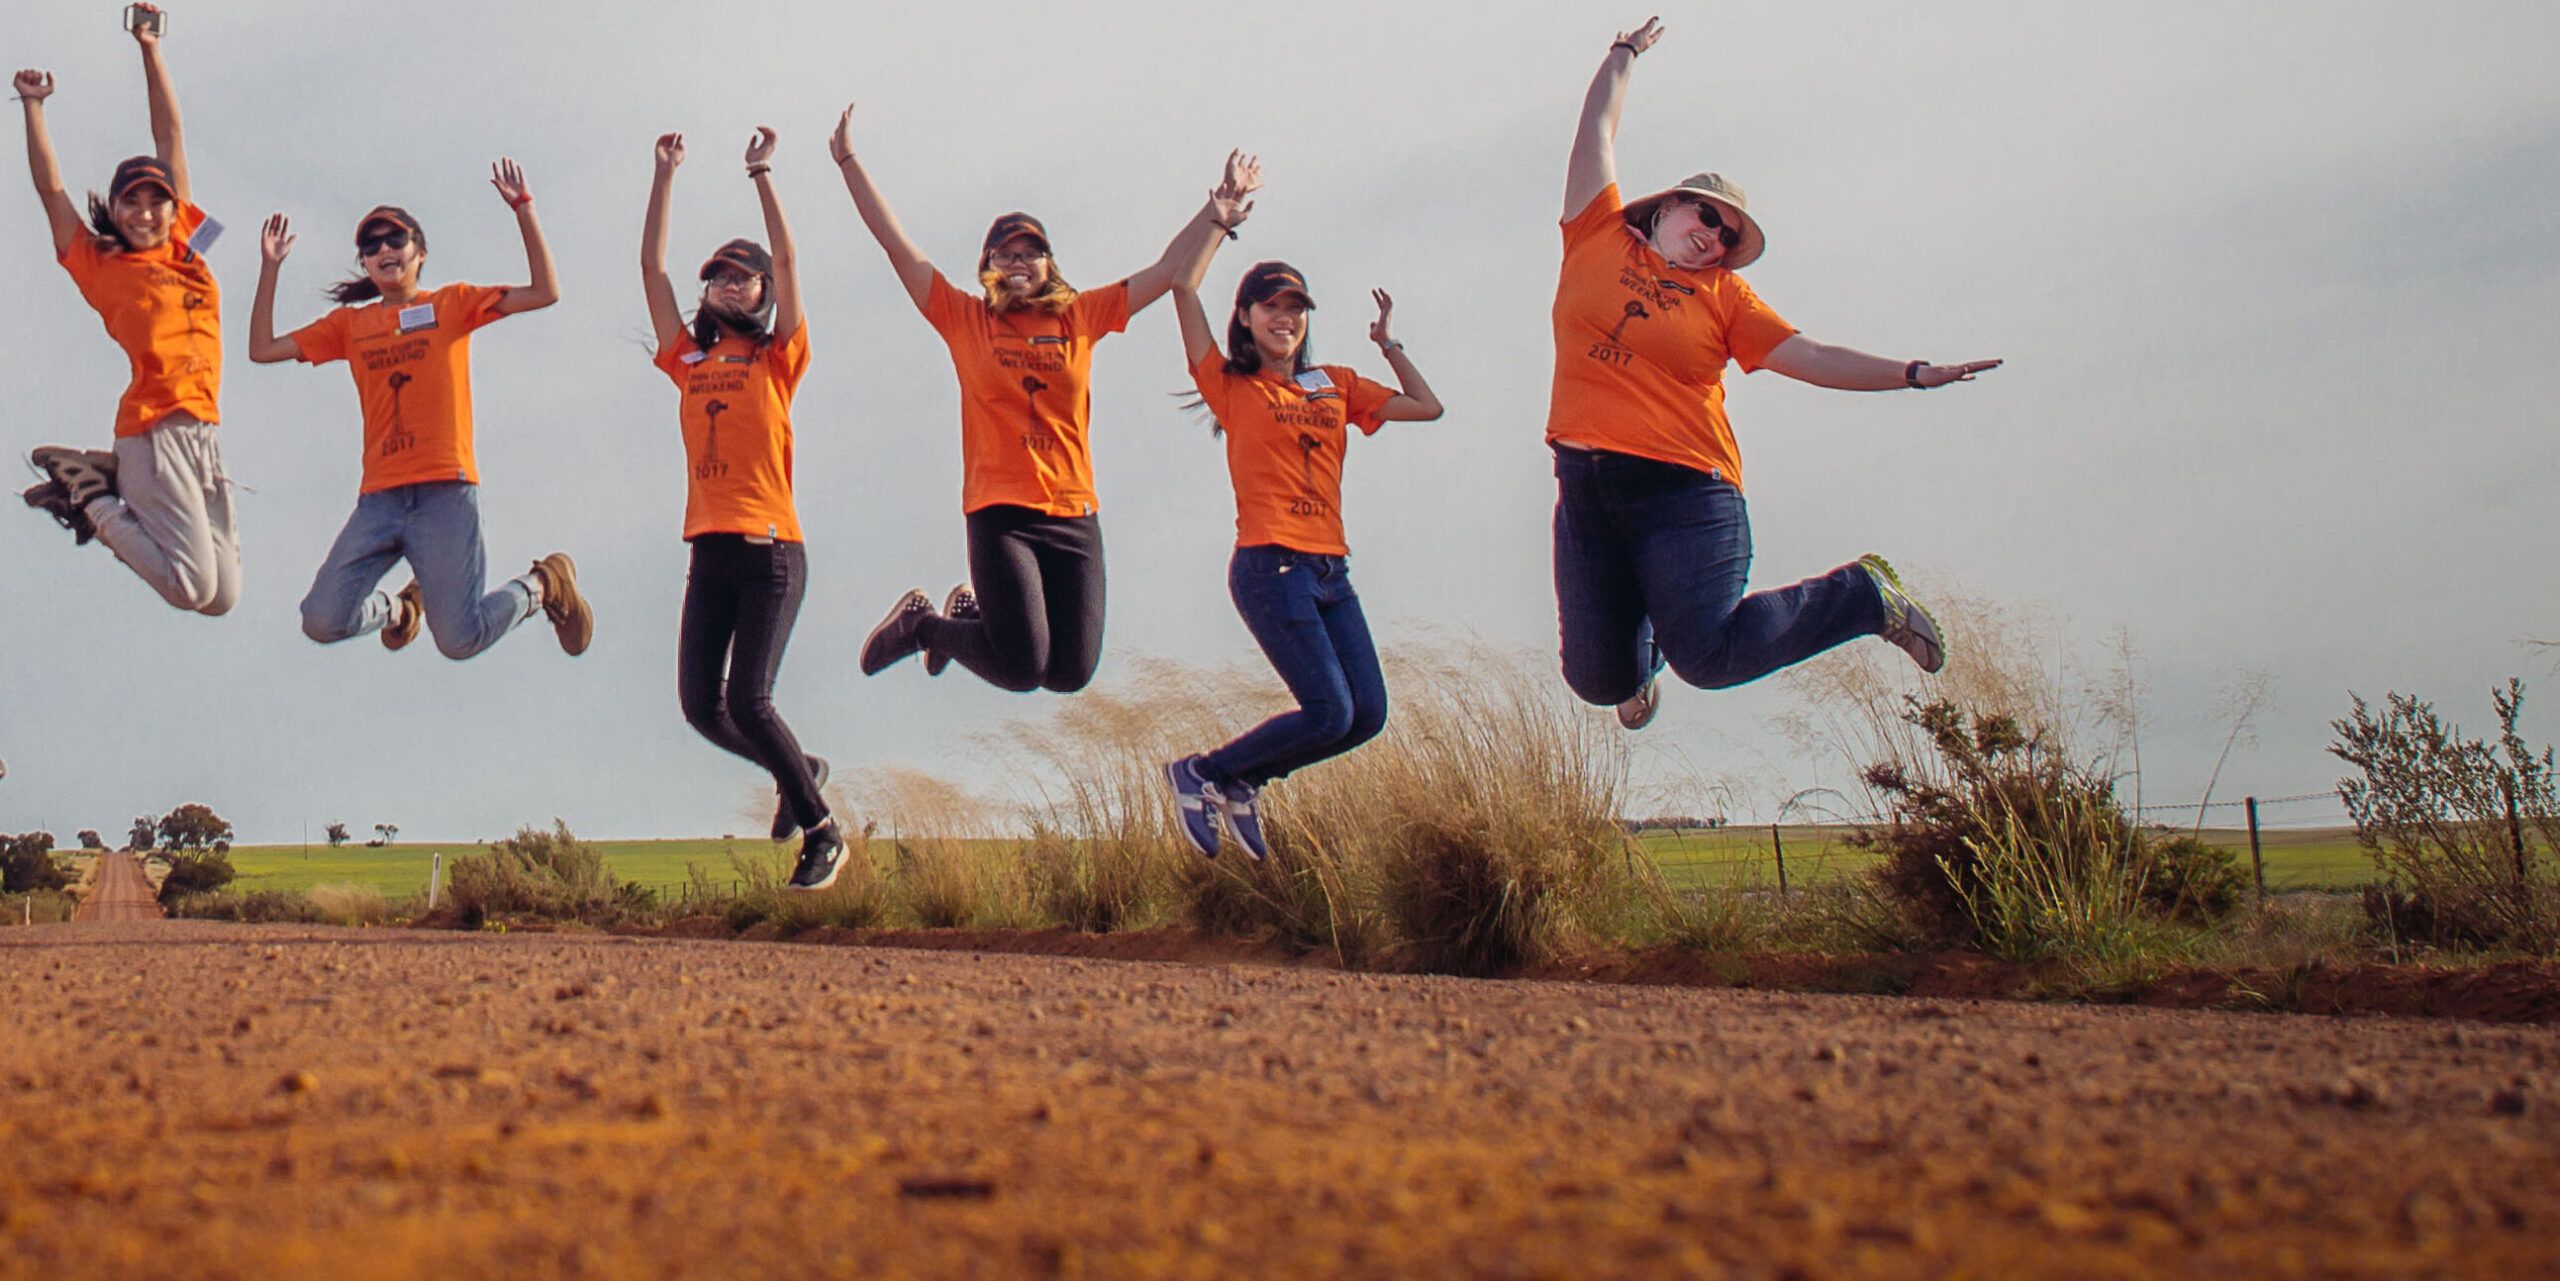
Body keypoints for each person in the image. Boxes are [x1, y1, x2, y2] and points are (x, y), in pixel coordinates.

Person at [1549, 17, 2002, 730]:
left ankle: (1862, 596)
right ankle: (1641, 662)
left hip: (1685, 494)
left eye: (1728, 236)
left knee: (1710, 655)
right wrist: (1622, 53)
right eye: (1706, 214)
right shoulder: (1596, 233)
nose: (1714, 235)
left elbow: (1814, 357)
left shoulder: (1726, 298)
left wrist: (1912, 373)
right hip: (1586, 492)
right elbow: (1596, 132)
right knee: (1598, 679)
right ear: (1665, 206)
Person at [827, 103, 1256, 693]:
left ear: (1049, 264)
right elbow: (895, 245)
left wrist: (1216, 215)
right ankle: (923, 627)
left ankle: (959, 618)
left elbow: (1164, 271)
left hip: (1074, 512)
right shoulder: (964, 318)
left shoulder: (1081, 317)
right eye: (1005, 253)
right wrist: (849, 161)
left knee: (1070, 674)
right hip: (1001, 512)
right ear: (988, 268)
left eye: (1030, 251)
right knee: (1024, 668)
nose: (1018, 261)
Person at [1158, 235, 1448, 860]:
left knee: (1365, 715)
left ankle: (1243, 778)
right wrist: (1219, 221)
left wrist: (1387, 345)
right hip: (1271, 566)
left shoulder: (1334, 384)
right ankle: (1203, 772)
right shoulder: (1231, 384)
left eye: (1295, 307)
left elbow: (1428, 408)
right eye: (1270, 306)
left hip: (1329, 573)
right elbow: (1182, 289)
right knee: (1327, 711)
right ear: (1245, 317)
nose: (1284, 318)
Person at [247, 160, 592, 661]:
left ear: (420, 252)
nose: (384, 249)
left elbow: (545, 292)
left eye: (396, 240)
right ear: (364, 264)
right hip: (381, 501)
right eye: (371, 245)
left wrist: (524, 209)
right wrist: (270, 267)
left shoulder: (451, 304)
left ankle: (543, 585)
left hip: (443, 492)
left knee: (459, 639)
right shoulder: (350, 325)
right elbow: (262, 348)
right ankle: (401, 611)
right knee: (321, 619)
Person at [641, 127, 844, 891]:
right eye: (720, 277)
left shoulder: (776, 357)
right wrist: (663, 177)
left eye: (744, 277)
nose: (732, 284)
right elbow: (650, 268)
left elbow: (790, 260)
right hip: (709, 550)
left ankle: (821, 828)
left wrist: (762, 174)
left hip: (770, 553)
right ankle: (803, 767)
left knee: (750, 699)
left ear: (763, 292)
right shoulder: (687, 361)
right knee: (701, 706)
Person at [14, 7, 241, 615]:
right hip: (152, 426)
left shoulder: (190, 246)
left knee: (223, 599)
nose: (145, 212)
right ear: (114, 210)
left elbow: (171, 136)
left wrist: (149, 48)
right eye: (131, 202)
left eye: (156, 201)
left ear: (173, 210)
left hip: (205, 429)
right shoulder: (102, 264)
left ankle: (107, 482)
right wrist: (34, 107)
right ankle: (90, 495)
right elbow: (51, 192)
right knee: (191, 590)